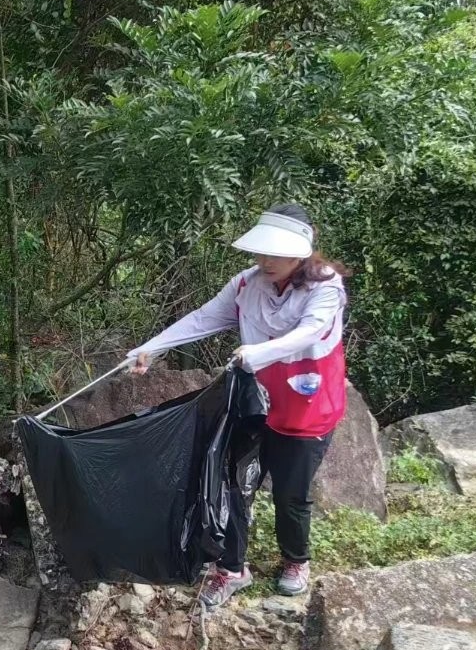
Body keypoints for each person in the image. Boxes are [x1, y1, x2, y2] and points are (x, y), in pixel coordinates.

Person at [127, 204, 348, 610]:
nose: (266, 260)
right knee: (233, 484)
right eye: (262, 251)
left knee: (290, 494)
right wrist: (152, 347)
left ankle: (296, 560)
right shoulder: (248, 285)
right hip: (253, 400)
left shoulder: (325, 288)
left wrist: (257, 353)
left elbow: (308, 333)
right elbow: (204, 318)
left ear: (300, 253)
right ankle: (231, 569)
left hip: (306, 405)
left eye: (276, 253)